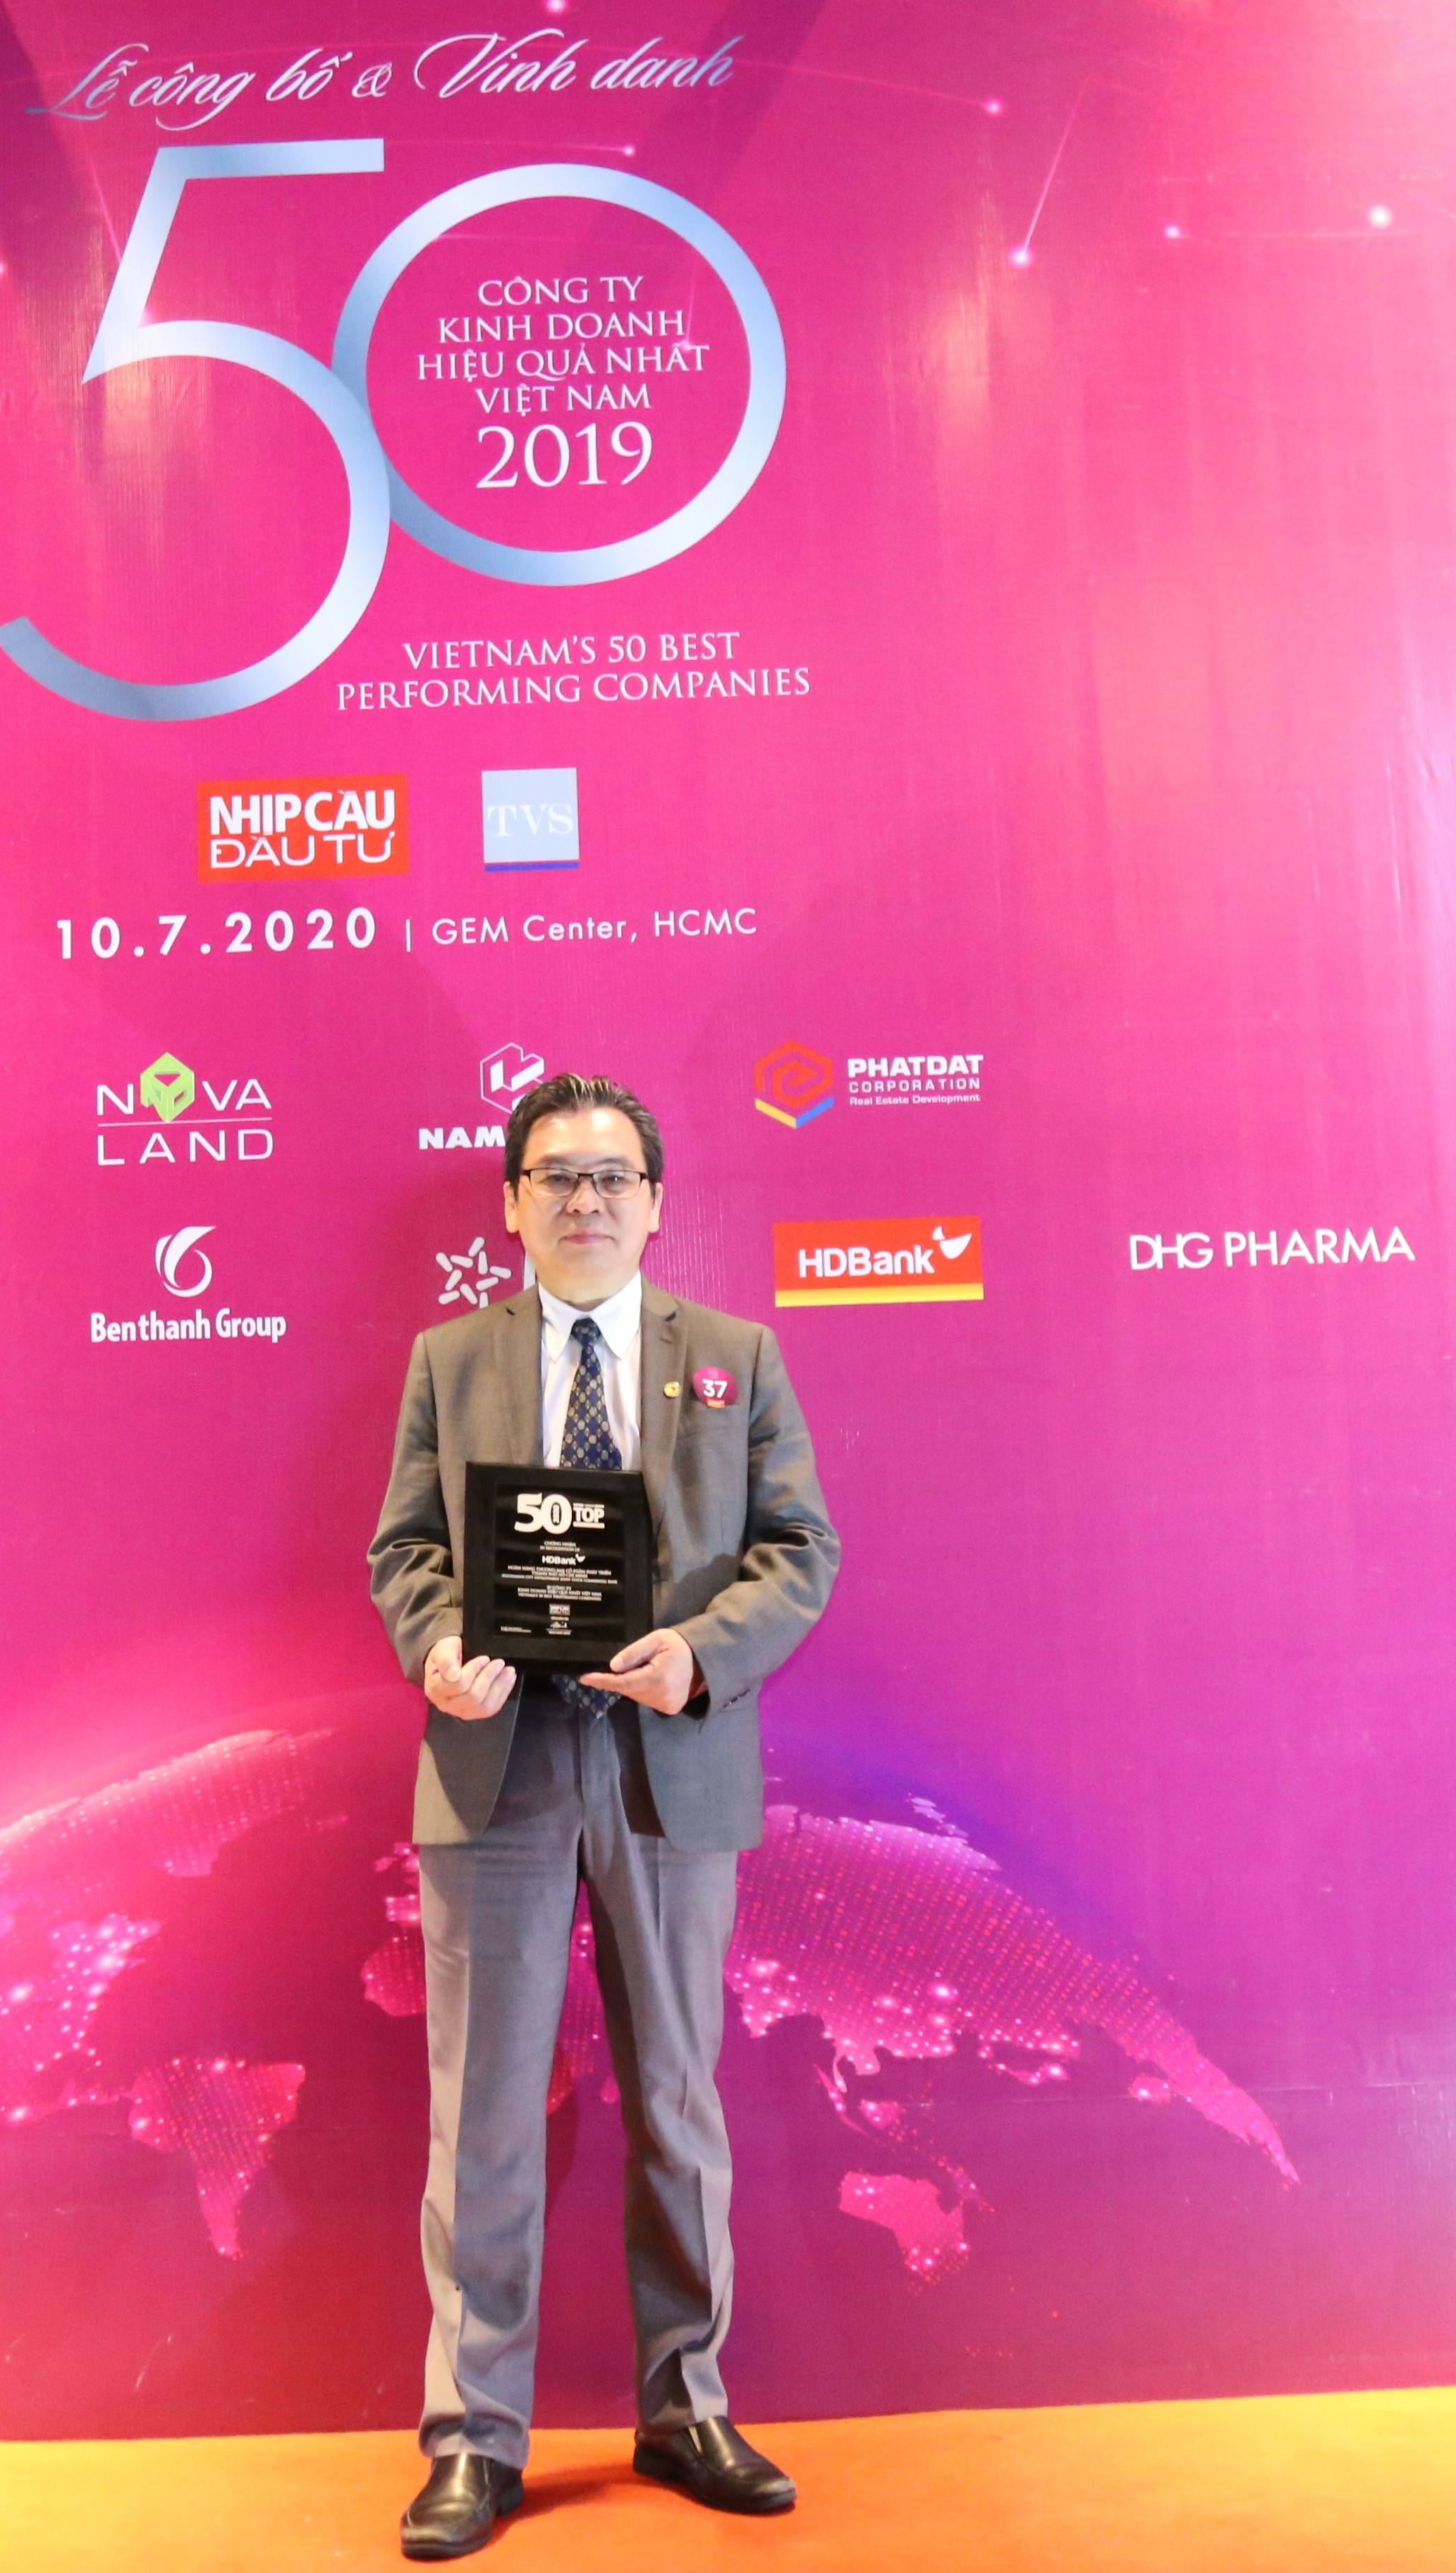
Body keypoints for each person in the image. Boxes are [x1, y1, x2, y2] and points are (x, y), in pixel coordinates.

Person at [369, 1073, 840, 2560]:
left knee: (678, 2103)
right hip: (495, 1768)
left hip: (669, 1765)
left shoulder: (735, 1358)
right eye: (556, 1177)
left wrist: (699, 1655)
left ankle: (685, 2405)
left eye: (611, 1177)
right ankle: (474, 2438)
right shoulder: (449, 1360)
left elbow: (799, 1550)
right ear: (511, 1203)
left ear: (655, 1202)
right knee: (481, 2115)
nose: (585, 1201)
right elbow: (403, 1553)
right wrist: (439, 1645)